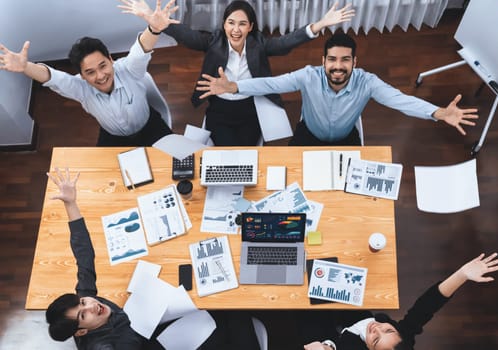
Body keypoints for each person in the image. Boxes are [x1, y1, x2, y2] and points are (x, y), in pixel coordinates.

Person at [45, 167, 261, 349]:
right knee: (232, 311)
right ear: (81, 332)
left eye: (83, 302)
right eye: (83, 315)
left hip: (155, 322)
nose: (92, 306)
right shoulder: (107, 346)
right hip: (164, 343)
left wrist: (70, 204)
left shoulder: (88, 302)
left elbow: (84, 254)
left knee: (221, 304)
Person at [126, 0, 355, 145]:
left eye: (242, 24)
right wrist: (153, 21)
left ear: (250, 27)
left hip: (250, 107)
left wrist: (320, 24)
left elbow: (287, 42)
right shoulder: (213, 41)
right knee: (225, 152)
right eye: (231, 23)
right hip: (220, 108)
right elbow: (187, 35)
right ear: (224, 24)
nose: (236, 30)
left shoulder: (259, 45)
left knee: (246, 152)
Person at [196, 32, 480, 146]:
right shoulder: (309, 76)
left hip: (346, 138)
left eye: (345, 60)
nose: (338, 66)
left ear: (355, 62)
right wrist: (234, 85)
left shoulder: (367, 82)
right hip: (309, 135)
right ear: (324, 61)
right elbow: (272, 83)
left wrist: (438, 112)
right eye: (332, 59)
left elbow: (400, 100)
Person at [0, 0, 178, 147]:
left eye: (103, 66)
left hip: (149, 126)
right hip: (114, 137)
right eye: (90, 72)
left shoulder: (129, 69)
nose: (100, 76)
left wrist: (154, 29)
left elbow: (141, 51)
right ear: (82, 76)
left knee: (175, 164)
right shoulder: (81, 88)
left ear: (111, 59)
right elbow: (53, 78)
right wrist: (26, 68)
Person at [300, 252, 498, 350]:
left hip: (325, 334)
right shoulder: (404, 335)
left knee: (301, 301)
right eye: (388, 330)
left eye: (375, 340)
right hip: (351, 315)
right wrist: (462, 274)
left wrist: (326, 347)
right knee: (330, 267)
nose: (376, 328)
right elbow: (428, 305)